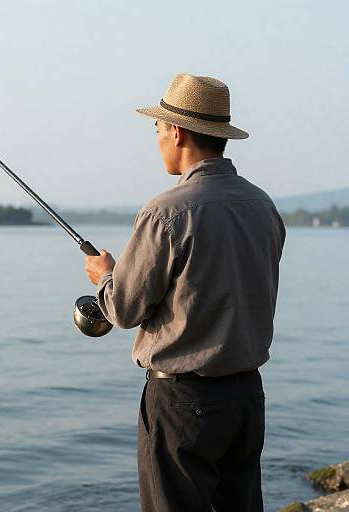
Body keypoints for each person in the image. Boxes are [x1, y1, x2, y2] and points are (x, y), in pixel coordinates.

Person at [84, 73, 286, 512]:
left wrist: (105, 276)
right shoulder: (263, 206)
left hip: (183, 401)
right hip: (247, 397)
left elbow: (122, 309)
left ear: (177, 131)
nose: (157, 139)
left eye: (157, 130)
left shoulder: (166, 212)